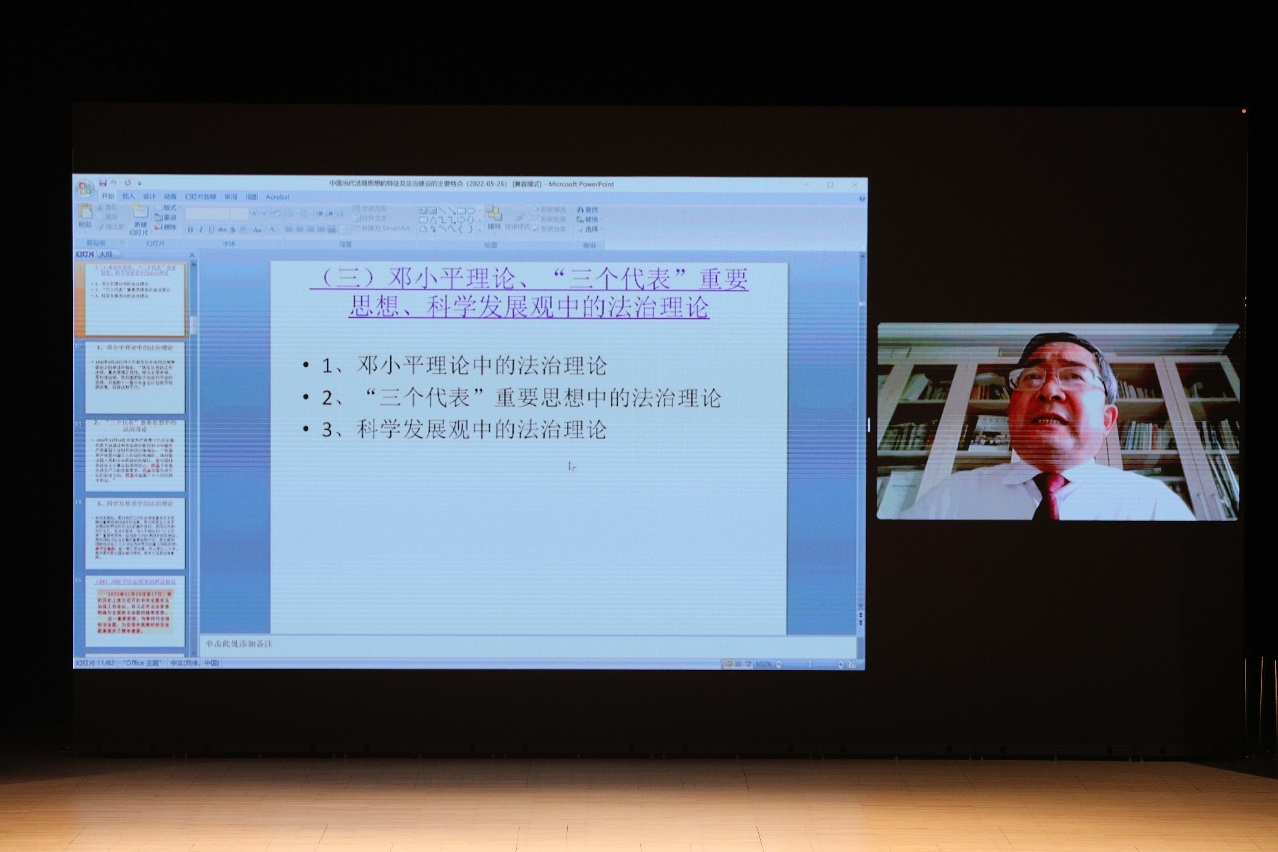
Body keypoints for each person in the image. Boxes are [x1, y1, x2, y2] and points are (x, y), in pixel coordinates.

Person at [899, 332, 1197, 520]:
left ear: (1107, 419)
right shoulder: (952, 496)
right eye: (1032, 377)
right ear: (1011, 411)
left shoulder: (1153, 504)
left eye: (1074, 376)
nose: (1049, 390)